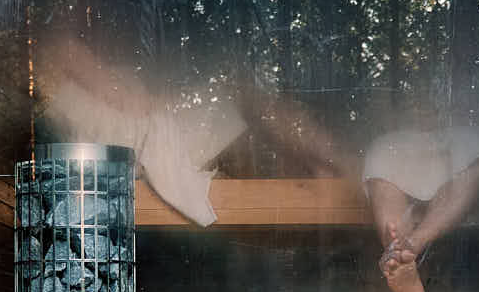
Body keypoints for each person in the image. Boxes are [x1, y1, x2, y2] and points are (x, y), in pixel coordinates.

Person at [36, 33, 354, 227]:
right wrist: (176, 99)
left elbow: (126, 96)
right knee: (243, 96)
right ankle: (341, 163)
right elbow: (136, 101)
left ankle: (326, 166)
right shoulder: (58, 55)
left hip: (144, 142)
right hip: (150, 139)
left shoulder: (59, 105)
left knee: (244, 125)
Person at [361, 114, 479, 292]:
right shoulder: (399, 138)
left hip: (473, 131)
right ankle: (398, 253)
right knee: (382, 153)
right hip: (416, 139)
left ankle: (408, 248)